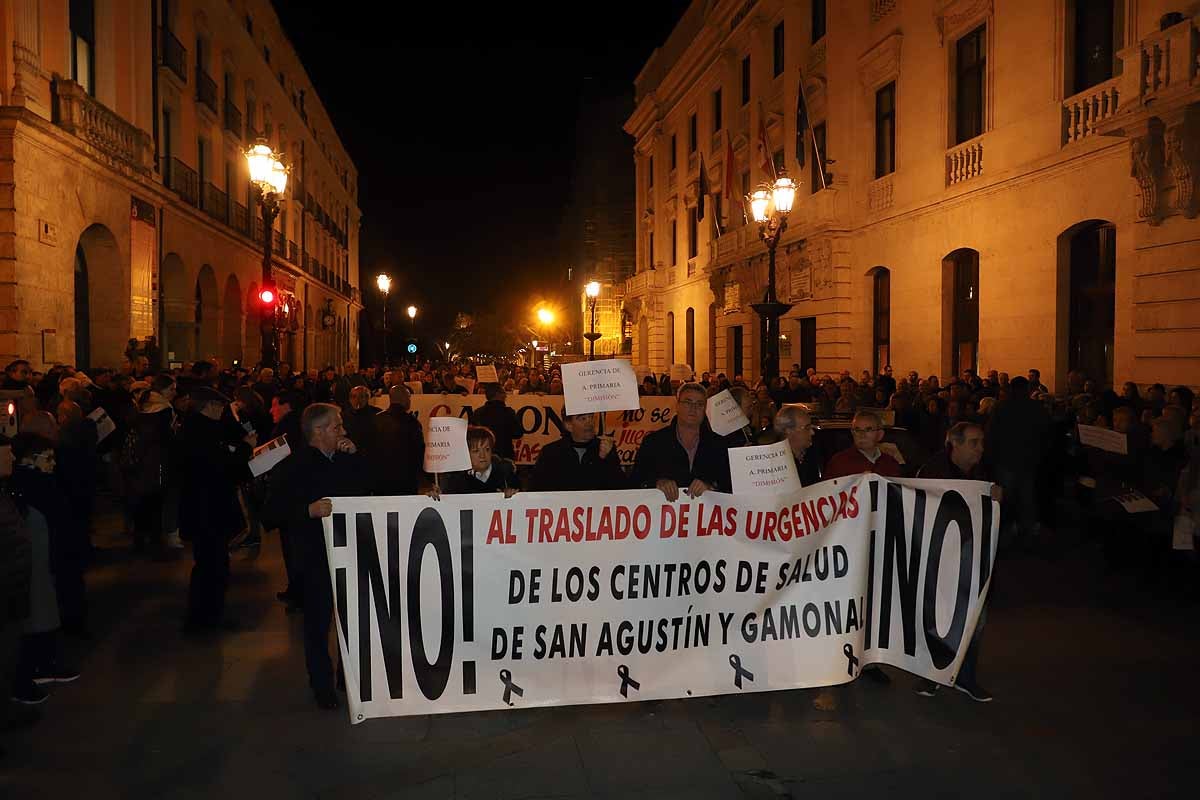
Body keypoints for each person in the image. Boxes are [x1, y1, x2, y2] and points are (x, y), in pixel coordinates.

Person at [264, 403, 372, 709]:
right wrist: (306, 511)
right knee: (317, 624)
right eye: (337, 427)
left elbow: (368, 488)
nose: (343, 431)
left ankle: (346, 677)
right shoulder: (293, 467)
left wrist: (356, 456)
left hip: (349, 553)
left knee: (351, 621)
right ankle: (322, 685)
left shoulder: (345, 459)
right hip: (313, 557)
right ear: (319, 431)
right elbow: (270, 513)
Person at [7, 434, 80, 704]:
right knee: (39, 613)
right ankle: (37, 667)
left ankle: (44, 664)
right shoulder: (32, 486)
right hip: (37, 561)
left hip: (43, 559)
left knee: (44, 611)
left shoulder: (32, 485)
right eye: (47, 458)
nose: (53, 463)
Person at [179, 387, 256, 634]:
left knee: (211, 564)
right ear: (209, 406)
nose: (223, 411)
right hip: (208, 510)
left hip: (205, 509)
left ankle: (208, 616)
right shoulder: (201, 432)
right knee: (211, 567)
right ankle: (205, 619)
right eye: (220, 407)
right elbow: (219, 465)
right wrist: (245, 449)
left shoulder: (195, 427)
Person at [632, 382, 730, 500]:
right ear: (677, 405)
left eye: (699, 404)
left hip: (706, 516)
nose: (693, 408)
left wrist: (712, 488)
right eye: (688, 402)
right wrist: (656, 483)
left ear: (705, 409)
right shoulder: (653, 443)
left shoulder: (719, 445)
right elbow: (636, 482)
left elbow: (730, 486)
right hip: (664, 515)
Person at [529, 412, 624, 492]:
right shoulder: (550, 452)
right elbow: (536, 490)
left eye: (591, 417)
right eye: (583, 419)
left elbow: (621, 489)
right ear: (568, 425)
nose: (589, 422)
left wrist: (607, 459)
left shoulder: (606, 448)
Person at [429, 426, 518, 496]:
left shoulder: (506, 474)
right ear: (465, 454)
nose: (482, 455)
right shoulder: (455, 479)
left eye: (487, 449)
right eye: (476, 451)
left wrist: (513, 497)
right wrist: (437, 498)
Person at [372, 385, 425, 496]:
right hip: (406, 481)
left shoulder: (376, 419)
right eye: (409, 397)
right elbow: (419, 453)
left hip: (380, 481)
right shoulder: (412, 423)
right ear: (405, 398)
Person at [824, 410, 902, 479]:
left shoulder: (890, 463)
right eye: (857, 430)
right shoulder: (839, 463)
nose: (862, 435)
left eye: (868, 429)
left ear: (880, 435)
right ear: (852, 433)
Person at [773, 405, 823, 486]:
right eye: (807, 428)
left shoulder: (815, 455)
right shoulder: (775, 463)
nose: (812, 432)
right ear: (788, 431)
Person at [473, 383, 522, 460]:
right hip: (504, 454)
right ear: (498, 394)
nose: (506, 395)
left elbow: (473, 435)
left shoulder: (478, 412)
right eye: (503, 392)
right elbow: (518, 433)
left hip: (483, 455)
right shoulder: (508, 412)